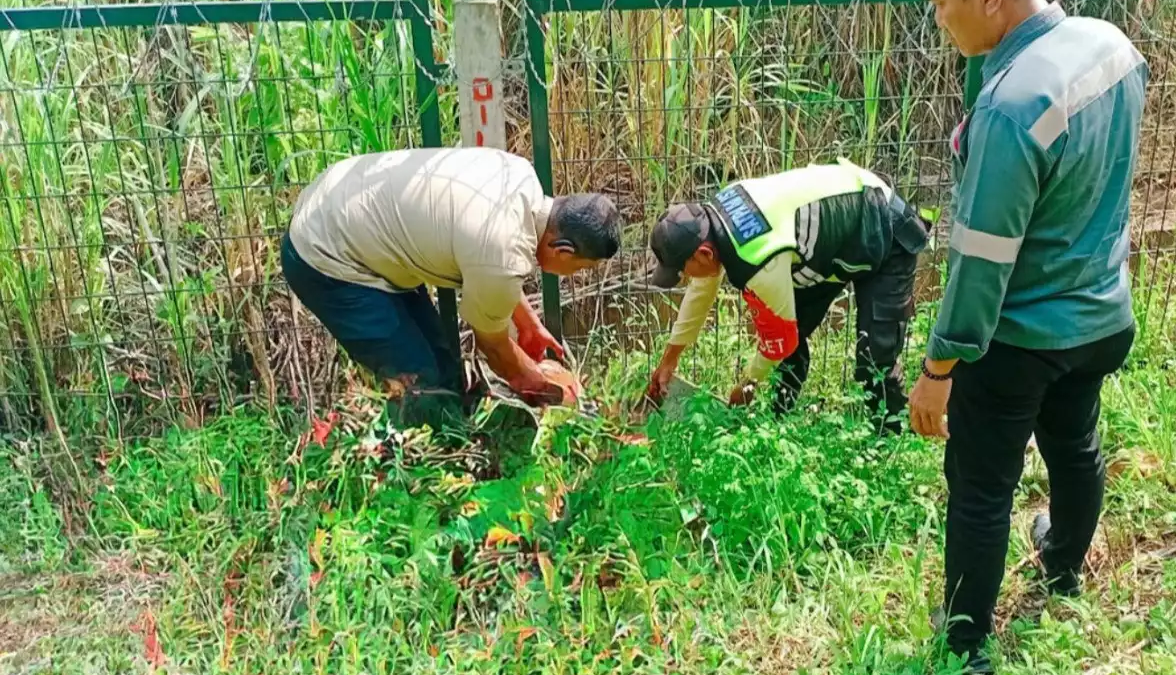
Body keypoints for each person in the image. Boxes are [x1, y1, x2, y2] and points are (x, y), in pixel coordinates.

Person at [904, 0, 1148, 675]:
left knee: (980, 486)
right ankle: (1065, 566)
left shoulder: (1011, 105)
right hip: (1103, 313)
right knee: (1074, 444)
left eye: (941, 4)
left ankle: (967, 647)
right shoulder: (1110, 44)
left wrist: (940, 369)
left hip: (1022, 338)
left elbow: (980, 262)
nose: (939, 22)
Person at [281, 147, 621, 432]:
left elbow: (491, 262)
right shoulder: (501, 254)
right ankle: (423, 488)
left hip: (345, 204)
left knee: (443, 365)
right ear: (563, 249)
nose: (574, 275)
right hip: (325, 254)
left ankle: (444, 447)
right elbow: (500, 354)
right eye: (581, 267)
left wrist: (529, 325)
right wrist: (554, 392)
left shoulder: (520, 175)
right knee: (421, 385)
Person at [645, 159, 930, 430]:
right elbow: (701, 291)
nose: (686, 279)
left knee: (874, 357)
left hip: (881, 224)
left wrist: (748, 385)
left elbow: (778, 339)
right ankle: (779, 422)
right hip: (833, 237)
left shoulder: (758, 260)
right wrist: (670, 359)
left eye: (683, 271)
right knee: (795, 333)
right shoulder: (714, 220)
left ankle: (889, 437)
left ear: (704, 253)